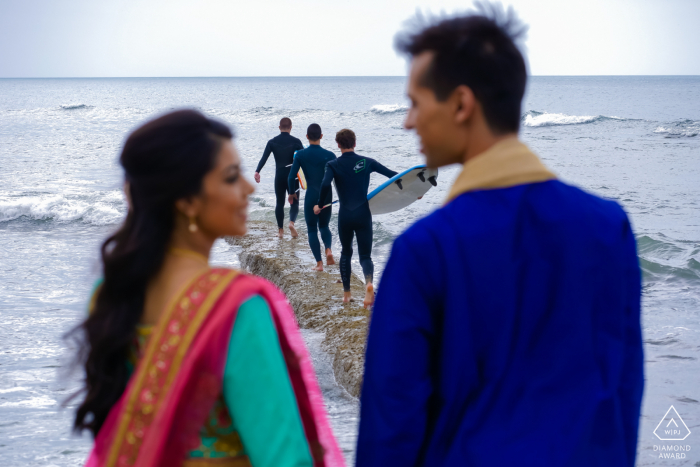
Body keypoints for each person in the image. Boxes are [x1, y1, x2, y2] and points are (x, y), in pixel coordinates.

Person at [356, 9, 643, 467]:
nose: (408, 121)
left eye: (415, 102)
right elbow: (623, 389)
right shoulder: (610, 228)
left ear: (462, 104)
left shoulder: (425, 250)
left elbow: (390, 425)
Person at [71, 110, 344, 467]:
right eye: (232, 177)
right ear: (187, 200)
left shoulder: (111, 291)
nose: (247, 187)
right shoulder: (236, 306)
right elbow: (286, 456)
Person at [313, 129, 397, 308]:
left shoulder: (332, 164)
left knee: (345, 252)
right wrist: (414, 192)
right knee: (365, 255)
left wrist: (320, 204)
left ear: (338, 145)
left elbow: (326, 184)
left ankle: (347, 294)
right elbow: (393, 176)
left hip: (345, 215)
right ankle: (368, 284)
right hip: (363, 214)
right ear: (355, 143)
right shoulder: (367, 162)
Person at [288, 123, 337, 271]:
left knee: (311, 229)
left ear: (307, 137)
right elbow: (337, 178)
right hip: (327, 194)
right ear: (321, 136)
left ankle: (319, 264)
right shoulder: (330, 155)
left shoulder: (301, 155)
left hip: (311, 194)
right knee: (324, 226)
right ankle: (328, 249)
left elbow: (291, 177)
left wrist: (291, 193)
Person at [254, 117, 303, 238]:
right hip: (293, 176)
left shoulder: (272, 142)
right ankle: (291, 223)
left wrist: (257, 171)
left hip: (279, 176)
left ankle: (280, 231)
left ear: (279, 128)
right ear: (291, 127)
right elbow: (304, 159)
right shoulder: (296, 141)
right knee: (294, 202)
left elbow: (264, 158)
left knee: (279, 203)